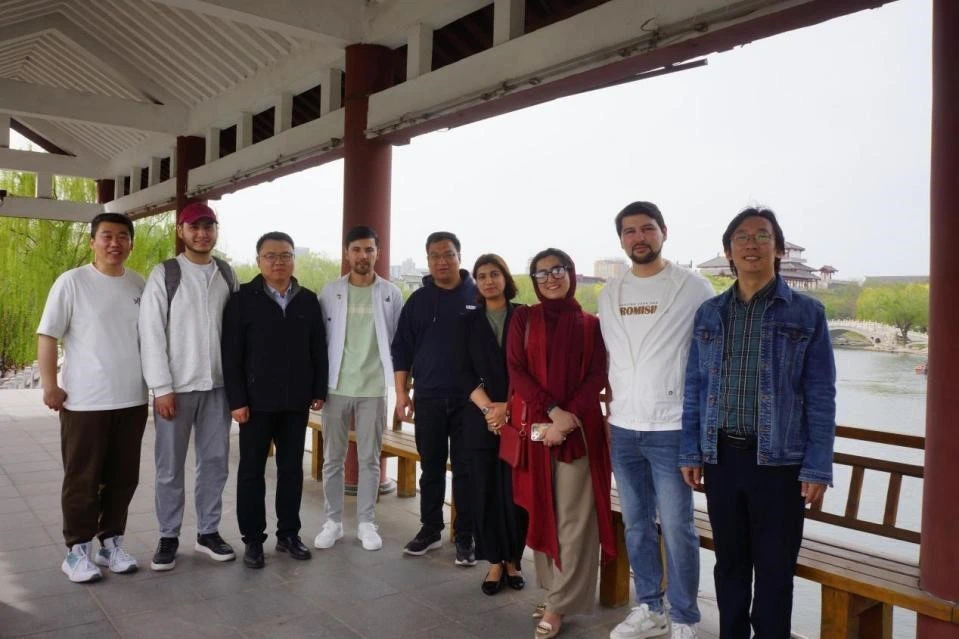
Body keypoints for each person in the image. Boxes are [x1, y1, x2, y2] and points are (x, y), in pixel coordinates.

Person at [679, 208, 836, 639]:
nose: (752, 244)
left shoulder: (807, 313)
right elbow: (695, 386)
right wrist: (691, 451)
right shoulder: (710, 313)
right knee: (729, 565)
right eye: (742, 237)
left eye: (762, 236)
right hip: (722, 458)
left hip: (780, 463)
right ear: (729, 251)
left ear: (778, 248)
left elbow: (821, 394)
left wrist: (817, 466)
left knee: (774, 570)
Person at [598, 202, 714, 639]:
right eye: (629, 231)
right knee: (636, 524)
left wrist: (700, 431)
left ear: (664, 231)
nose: (639, 237)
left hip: (672, 427)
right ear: (621, 240)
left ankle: (684, 616)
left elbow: (711, 356)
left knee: (679, 528)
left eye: (647, 228)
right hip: (624, 426)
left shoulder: (693, 288)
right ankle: (651, 607)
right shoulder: (610, 293)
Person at [506, 248, 616, 639]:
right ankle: (556, 592)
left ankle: (558, 604)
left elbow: (596, 375)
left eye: (558, 270)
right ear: (533, 280)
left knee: (574, 519)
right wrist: (553, 412)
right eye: (542, 272)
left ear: (571, 273)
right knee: (543, 509)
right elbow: (516, 370)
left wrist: (566, 420)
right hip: (540, 428)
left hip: (578, 433)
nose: (551, 278)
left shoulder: (591, 325)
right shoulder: (524, 318)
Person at [37, 213, 149, 583]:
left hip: (132, 399)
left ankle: (111, 543)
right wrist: (50, 385)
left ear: (131, 243)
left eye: (122, 236)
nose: (114, 243)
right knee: (82, 478)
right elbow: (48, 335)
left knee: (123, 477)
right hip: (85, 401)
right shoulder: (72, 282)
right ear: (92, 242)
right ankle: (77, 550)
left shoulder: (139, 283)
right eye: (106, 236)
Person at [139, 202, 238, 571]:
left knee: (215, 463)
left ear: (216, 230)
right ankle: (168, 535)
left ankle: (208, 532)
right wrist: (161, 387)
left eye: (208, 226)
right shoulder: (165, 273)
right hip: (176, 389)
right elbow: (150, 332)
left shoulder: (226, 273)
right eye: (194, 227)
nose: (202, 234)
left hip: (218, 387)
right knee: (169, 466)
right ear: (180, 231)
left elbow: (236, 332)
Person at [221, 231, 328, 569]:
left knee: (291, 470)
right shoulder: (242, 300)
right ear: (258, 261)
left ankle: (289, 534)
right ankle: (253, 539)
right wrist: (237, 400)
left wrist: (319, 390)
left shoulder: (308, 300)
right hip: (255, 404)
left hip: (296, 402)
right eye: (270, 256)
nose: (278, 262)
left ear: (294, 259)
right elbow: (231, 356)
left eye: (285, 255)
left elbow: (318, 349)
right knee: (252, 471)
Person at [391, 231, 478, 564]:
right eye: (435, 256)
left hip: (471, 401)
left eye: (448, 254)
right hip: (428, 397)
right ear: (427, 260)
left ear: (459, 256)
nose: (442, 261)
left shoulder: (476, 295)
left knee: (466, 469)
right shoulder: (418, 300)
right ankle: (430, 529)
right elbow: (402, 348)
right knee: (431, 468)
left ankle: (466, 535)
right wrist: (402, 393)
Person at [314, 225, 403, 552]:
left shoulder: (391, 294)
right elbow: (319, 341)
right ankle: (333, 522)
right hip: (336, 387)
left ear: (377, 252)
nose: (363, 255)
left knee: (369, 459)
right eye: (356, 249)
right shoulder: (330, 292)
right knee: (332, 459)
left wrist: (401, 388)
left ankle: (366, 522)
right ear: (347, 253)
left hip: (373, 389)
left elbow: (398, 343)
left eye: (369, 249)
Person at [454, 254, 528, 595]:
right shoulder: (467, 322)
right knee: (483, 489)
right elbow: (462, 371)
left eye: (494, 274)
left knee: (516, 492)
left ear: (505, 278)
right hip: (480, 417)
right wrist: (489, 410)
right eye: (481, 275)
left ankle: (514, 559)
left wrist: (509, 409)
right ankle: (495, 561)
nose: (488, 281)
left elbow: (532, 368)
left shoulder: (524, 317)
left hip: (520, 414)